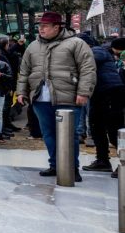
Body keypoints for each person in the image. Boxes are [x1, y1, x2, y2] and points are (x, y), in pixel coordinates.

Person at [16, 11, 96, 182]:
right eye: (40, 26)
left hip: (68, 98)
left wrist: (83, 92)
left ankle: (71, 168)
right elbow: (24, 71)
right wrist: (21, 92)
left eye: (45, 26)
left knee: (70, 135)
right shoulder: (33, 46)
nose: (41, 29)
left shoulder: (76, 43)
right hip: (40, 99)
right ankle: (55, 165)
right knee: (48, 134)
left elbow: (88, 69)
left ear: (57, 27)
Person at [79, 34, 125, 174]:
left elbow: (87, 62)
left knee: (114, 131)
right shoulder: (98, 51)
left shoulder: (97, 51)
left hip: (111, 93)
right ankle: (102, 160)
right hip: (98, 94)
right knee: (96, 128)